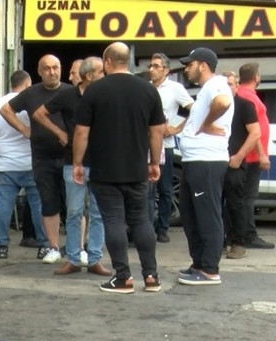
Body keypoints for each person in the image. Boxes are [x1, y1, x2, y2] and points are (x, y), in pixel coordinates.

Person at [73, 42, 165, 294]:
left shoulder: (95, 90)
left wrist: (78, 163)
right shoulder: (148, 89)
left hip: (105, 169)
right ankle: (151, 276)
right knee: (141, 220)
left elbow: (81, 132)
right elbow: (157, 130)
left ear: (107, 62)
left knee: (113, 220)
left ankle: (123, 277)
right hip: (137, 168)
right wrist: (154, 162)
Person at [31, 56, 111, 277]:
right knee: (74, 212)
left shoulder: (105, 95)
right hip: (73, 161)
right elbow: (39, 114)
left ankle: (94, 259)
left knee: (98, 212)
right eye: (101, 72)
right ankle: (74, 259)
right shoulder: (68, 95)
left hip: (100, 161)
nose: (104, 75)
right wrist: (60, 132)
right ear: (89, 76)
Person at [0, 54, 68, 264]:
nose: (52, 72)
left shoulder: (70, 92)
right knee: (48, 203)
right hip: (42, 158)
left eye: (55, 67)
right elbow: (5, 110)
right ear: (39, 71)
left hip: (69, 156)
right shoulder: (31, 93)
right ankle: (53, 247)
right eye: (47, 68)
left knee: (74, 206)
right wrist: (23, 129)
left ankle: (77, 248)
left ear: (61, 69)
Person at [177, 47, 234, 286]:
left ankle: (210, 269)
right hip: (194, 161)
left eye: (189, 64)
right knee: (191, 215)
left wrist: (207, 123)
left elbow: (223, 102)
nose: (186, 69)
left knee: (207, 215)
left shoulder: (216, 84)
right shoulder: (205, 90)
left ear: (202, 65)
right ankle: (199, 263)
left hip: (207, 161)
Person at [0, 70, 47, 259]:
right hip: (31, 162)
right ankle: (43, 245)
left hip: (7, 164)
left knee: (4, 204)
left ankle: (2, 246)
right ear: (27, 84)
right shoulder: (32, 102)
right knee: (37, 205)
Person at [148, 52, 194, 243]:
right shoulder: (146, 87)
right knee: (148, 190)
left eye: (156, 66)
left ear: (166, 70)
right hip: (146, 145)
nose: (152, 69)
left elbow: (194, 109)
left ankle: (163, 227)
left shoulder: (175, 88)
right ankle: (146, 227)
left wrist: (176, 128)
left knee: (165, 189)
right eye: (150, 66)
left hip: (165, 145)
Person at [222, 71, 260, 260]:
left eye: (231, 84)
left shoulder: (245, 105)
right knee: (215, 204)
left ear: (237, 86)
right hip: (215, 161)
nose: (227, 88)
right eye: (224, 84)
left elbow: (255, 133)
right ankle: (221, 242)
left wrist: (239, 156)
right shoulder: (216, 105)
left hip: (235, 163)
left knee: (235, 204)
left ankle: (239, 243)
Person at [237, 62, 275, 250]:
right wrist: (262, 155)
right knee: (247, 197)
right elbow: (253, 130)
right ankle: (248, 235)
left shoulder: (242, 94)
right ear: (256, 77)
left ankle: (241, 234)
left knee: (244, 197)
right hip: (250, 156)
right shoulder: (248, 97)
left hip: (248, 154)